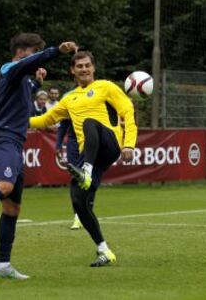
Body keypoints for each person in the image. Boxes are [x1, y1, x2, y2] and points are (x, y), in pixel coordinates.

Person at [0, 32, 77, 280]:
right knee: (5, 186)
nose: (36, 62)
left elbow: (25, 89)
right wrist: (56, 51)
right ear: (22, 51)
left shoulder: (20, 79)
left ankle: (2, 265)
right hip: (3, 139)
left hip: (15, 144)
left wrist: (38, 83)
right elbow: (25, 66)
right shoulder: (10, 67)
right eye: (34, 53)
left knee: (12, 208)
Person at [30, 51, 137, 267]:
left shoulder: (105, 87)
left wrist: (129, 143)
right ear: (72, 70)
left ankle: (86, 170)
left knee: (89, 122)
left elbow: (128, 110)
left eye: (87, 65)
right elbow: (46, 119)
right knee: (79, 202)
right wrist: (17, 121)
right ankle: (104, 250)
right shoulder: (69, 98)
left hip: (110, 144)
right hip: (89, 152)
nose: (84, 69)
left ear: (94, 68)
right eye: (79, 66)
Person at [55, 118, 82, 230]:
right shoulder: (69, 101)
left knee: (88, 177)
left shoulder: (94, 101)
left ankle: (86, 212)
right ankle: (77, 215)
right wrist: (58, 145)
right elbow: (63, 125)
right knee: (75, 177)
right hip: (73, 143)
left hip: (90, 142)